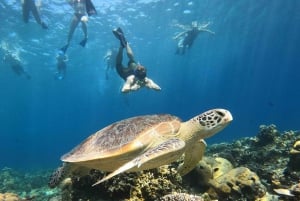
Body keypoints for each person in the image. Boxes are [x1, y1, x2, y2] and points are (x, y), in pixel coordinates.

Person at [112, 27, 161, 93]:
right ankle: (122, 47)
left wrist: (151, 85)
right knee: (118, 64)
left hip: (134, 70)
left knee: (131, 59)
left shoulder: (146, 80)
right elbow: (123, 90)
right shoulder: (131, 79)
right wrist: (132, 88)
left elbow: (158, 88)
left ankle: (125, 44)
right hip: (125, 73)